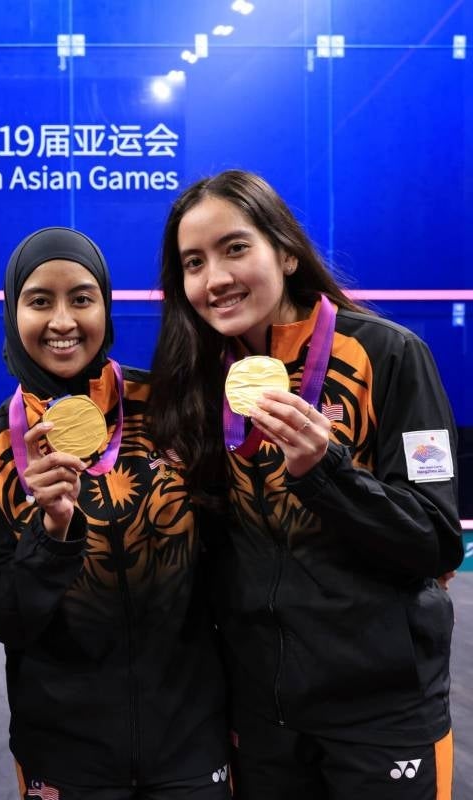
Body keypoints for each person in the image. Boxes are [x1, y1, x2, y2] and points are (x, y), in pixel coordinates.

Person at [149, 169, 463, 799]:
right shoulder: (203, 381)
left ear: (286, 252)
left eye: (235, 248)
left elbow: (435, 540)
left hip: (381, 714)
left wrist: (326, 473)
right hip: (264, 717)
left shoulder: (390, 355)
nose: (215, 279)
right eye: (193, 262)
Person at [0, 227, 230, 800]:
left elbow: (228, 558)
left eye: (82, 298)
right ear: (13, 313)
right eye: (40, 300)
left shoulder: (170, 409)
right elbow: (1, 615)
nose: (63, 321)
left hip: (191, 742)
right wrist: (51, 533)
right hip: (63, 755)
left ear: (106, 308)